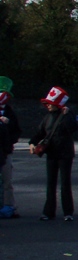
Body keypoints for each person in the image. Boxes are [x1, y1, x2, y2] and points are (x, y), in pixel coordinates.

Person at [30, 86, 78, 221]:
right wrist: (32, 143)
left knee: (65, 183)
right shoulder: (47, 117)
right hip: (51, 153)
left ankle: (68, 212)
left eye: (50, 103)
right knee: (50, 183)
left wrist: (67, 115)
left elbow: (73, 128)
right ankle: (48, 211)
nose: (47, 106)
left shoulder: (67, 114)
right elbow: (40, 133)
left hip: (65, 154)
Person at [0, 76, 22, 213]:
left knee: (7, 180)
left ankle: (8, 205)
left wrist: (8, 140)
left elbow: (17, 131)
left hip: (5, 151)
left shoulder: (9, 112)